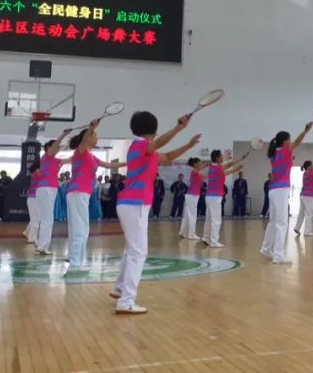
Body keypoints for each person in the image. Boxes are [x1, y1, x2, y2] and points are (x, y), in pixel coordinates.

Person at [110, 111, 198, 314]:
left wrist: (188, 146)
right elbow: (158, 145)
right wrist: (179, 128)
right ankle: (126, 301)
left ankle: (119, 289)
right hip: (136, 203)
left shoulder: (141, 149)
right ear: (154, 128)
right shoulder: (142, 145)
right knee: (138, 252)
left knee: (130, 249)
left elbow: (167, 157)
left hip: (128, 203)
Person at [65, 122, 125, 272]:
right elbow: (84, 139)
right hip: (78, 192)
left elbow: (110, 165)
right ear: (89, 138)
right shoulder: (81, 151)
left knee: (76, 228)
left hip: (78, 193)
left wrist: (132, 161)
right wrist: (92, 128)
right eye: (95, 136)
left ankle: (73, 257)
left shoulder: (92, 156)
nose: (97, 138)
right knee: (81, 229)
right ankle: (75, 264)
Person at [260, 122, 313, 265]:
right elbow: (298, 142)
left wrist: (290, 159)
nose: (291, 141)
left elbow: (285, 161)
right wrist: (306, 131)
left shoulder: (273, 153)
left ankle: (266, 249)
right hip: (280, 190)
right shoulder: (285, 151)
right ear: (285, 141)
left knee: (273, 222)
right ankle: (278, 255)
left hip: (272, 190)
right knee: (282, 223)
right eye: (289, 139)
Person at [32, 129, 70, 255]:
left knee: (47, 219)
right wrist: (63, 134)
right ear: (48, 148)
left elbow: (71, 159)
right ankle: (42, 247)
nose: (57, 149)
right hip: (46, 189)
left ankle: (42, 246)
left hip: (49, 189)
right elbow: (55, 145)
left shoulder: (56, 160)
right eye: (55, 147)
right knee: (47, 219)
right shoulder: (46, 157)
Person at [202, 150, 248, 248]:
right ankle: (214, 241)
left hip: (209, 196)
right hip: (215, 197)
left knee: (209, 219)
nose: (223, 157)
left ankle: (206, 237)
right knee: (216, 220)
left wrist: (235, 170)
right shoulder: (217, 167)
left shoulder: (213, 168)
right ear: (217, 158)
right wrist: (241, 158)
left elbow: (225, 172)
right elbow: (229, 164)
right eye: (221, 156)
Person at [179, 158, 209, 240]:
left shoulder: (198, 174)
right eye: (200, 163)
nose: (201, 164)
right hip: (192, 196)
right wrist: (205, 165)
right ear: (195, 164)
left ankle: (182, 232)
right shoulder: (193, 171)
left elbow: (206, 176)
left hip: (192, 196)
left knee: (187, 215)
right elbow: (197, 170)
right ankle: (191, 234)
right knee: (192, 215)